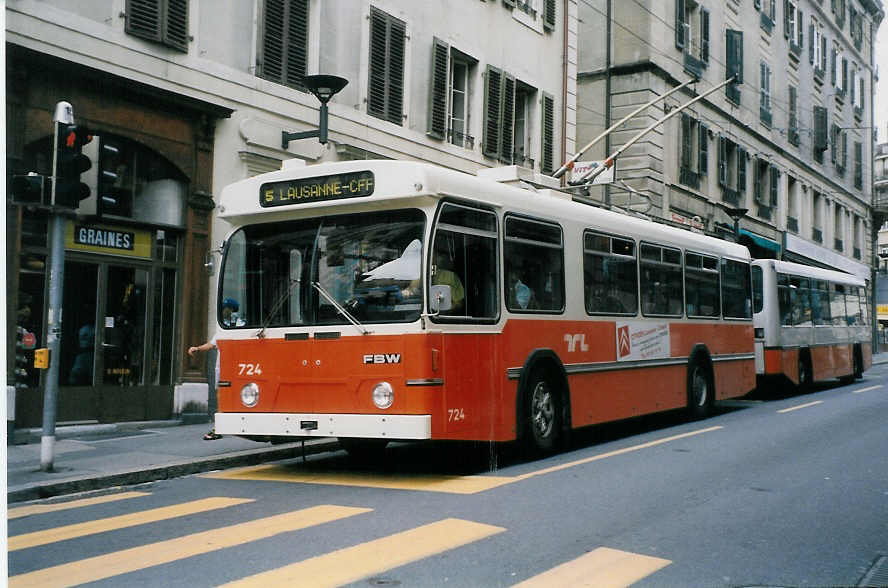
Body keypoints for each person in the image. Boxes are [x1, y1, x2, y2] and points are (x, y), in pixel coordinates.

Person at [188, 298, 241, 440]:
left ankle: (221, 428)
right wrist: (197, 348)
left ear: (230, 309)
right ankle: (220, 427)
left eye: (224, 308)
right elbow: (212, 344)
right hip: (222, 368)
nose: (222, 311)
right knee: (221, 397)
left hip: (236, 369)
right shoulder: (222, 327)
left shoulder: (240, 325)